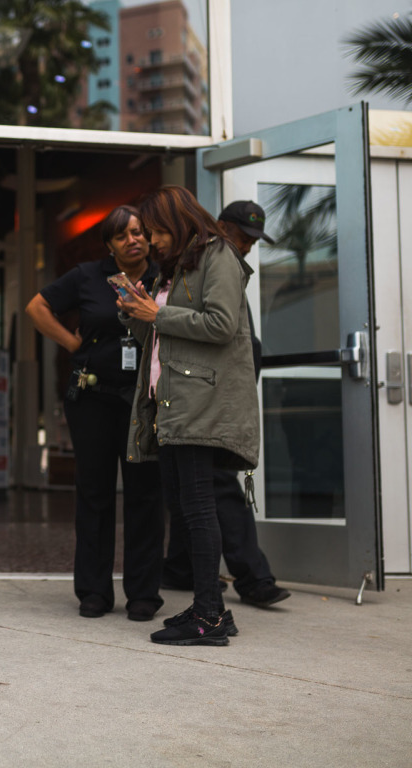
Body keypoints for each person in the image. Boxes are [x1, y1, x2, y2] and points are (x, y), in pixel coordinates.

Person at [118, 185, 260, 647]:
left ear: (177, 224)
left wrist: (156, 313)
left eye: (157, 231)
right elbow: (160, 335)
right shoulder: (179, 266)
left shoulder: (218, 255)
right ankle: (209, 608)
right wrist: (136, 312)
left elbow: (221, 325)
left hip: (201, 404)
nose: (152, 241)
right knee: (186, 508)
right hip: (174, 405)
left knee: (199, 511)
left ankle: (210, 617)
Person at [26, 206, 164, 621]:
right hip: (93, 399)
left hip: (145, 401)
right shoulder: (88, 275)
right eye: (122, 235)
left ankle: (143, 594)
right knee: (94, 495)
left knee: (145, 496)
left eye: (138, 232)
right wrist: (72, 344)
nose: (132, 240)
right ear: (110, 244)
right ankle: (94, 592)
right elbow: (36, 307)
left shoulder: (163, 277)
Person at [160, 200, 290, 609]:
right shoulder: (200, 261)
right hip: (177, 396)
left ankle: (246, 580)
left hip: (204, 399)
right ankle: (197, 574)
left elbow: (229, 333)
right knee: (186, 490)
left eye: (253, 240)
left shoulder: (220, 261)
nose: (247, 246)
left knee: (209, 492)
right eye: (241, 235)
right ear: (219, 225)